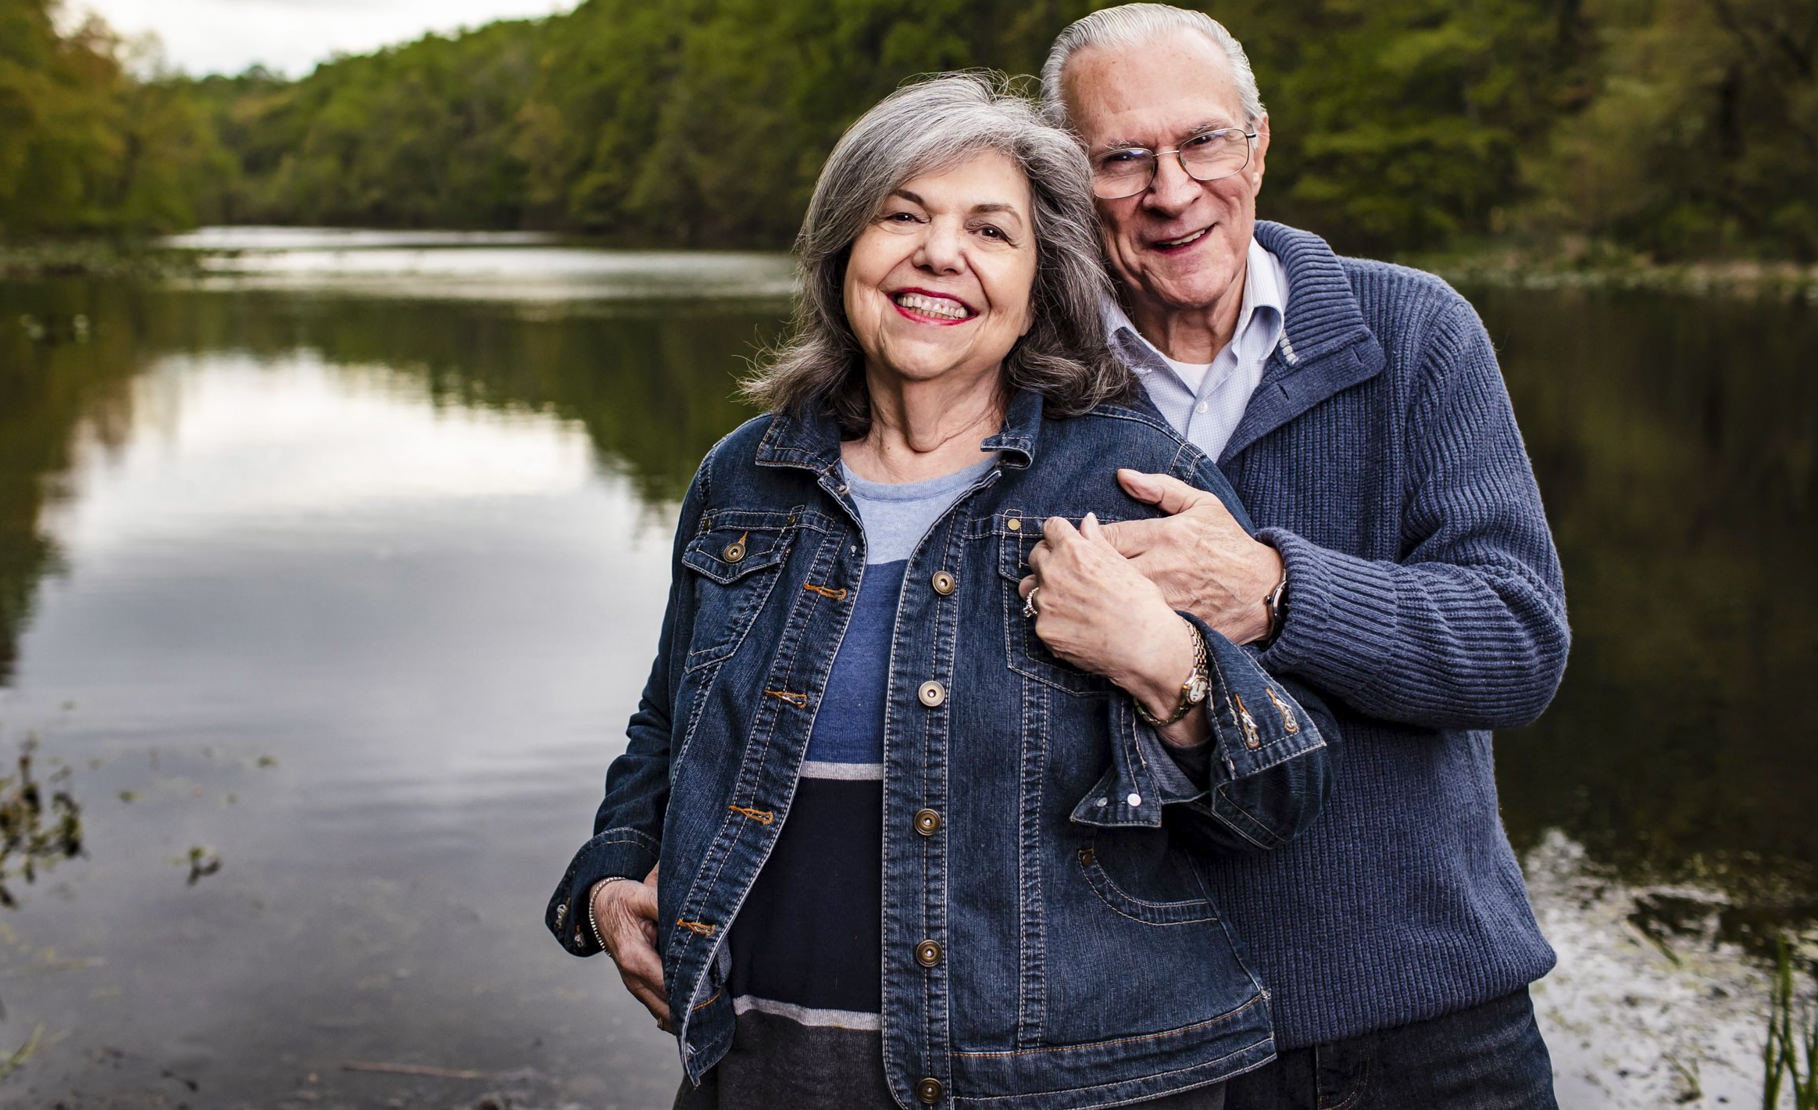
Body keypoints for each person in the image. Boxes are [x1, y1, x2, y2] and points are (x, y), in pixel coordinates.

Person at [546, 73, 1336, 1109]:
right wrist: (611, 874)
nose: (938, 253)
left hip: (1076, 1084)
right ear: (843, 252)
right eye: (900, 215)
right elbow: (665, 725)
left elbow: (1279, 803)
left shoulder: (1128, 479)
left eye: (989, 230)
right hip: (763, 1072)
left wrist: (1163, 660)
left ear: (1037, 285)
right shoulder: (742, 477)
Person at [1031, 3, 1570, 1109]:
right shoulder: (1029, 379)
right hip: (1142, 1043)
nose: (1170, 190)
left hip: (1429, 1019)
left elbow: (1516, 644)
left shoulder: (1412, 330)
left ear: (1258, 144)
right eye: (1120, 159)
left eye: (1202, 142)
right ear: (1066, 187)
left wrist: (1273, 592)